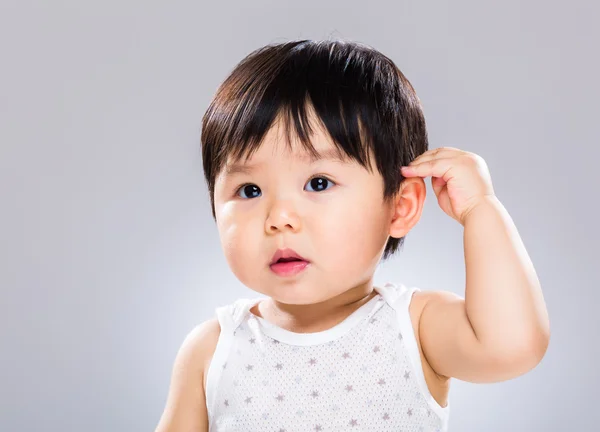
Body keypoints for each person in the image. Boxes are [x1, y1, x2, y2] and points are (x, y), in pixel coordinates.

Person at [155, 39, 550, 432]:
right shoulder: (212, 350)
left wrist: (481, 210)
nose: (279, 218)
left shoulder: (415, 328)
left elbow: (513, 346)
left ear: (400, 206)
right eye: (250, 191)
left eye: (319, 182)